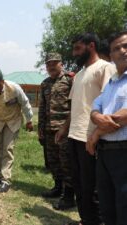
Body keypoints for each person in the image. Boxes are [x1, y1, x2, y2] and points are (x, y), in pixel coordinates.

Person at [55, 33, 116, 225]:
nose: (74, 53)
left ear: (91, 46)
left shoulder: (105, 68)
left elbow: (109, 102)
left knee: (93, 186)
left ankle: (96, 221)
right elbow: (76, 106)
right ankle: (85, 219)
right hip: (74, 135)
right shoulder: (80, 74)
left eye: (78, 49)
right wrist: (64, 129)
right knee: (79, 182)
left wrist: (97, 133)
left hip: (91, 138)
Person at [86, 31, 127, 225]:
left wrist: (97, 132)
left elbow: (124, 115)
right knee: (107, 205)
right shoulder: (111, 83)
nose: (122, 51)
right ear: (110, 55)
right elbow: (95, 108)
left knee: (124, 207)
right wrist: (96, 119)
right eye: (116, 48)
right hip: (104, 154)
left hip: (123, 152)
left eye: (125, 46)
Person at [38, 53, 75, 210]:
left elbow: (75, 105)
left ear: (61, 63)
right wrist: (40, 128)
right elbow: (41, 108)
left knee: (66, 163)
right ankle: (57, 187)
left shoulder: (69, 80)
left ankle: (68, 196)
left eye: (54, 63)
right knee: (53, 162)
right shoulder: (45, 84)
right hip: (49, 130)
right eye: (48, 64)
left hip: (65, 129)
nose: (51, 67)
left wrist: (67, 127)